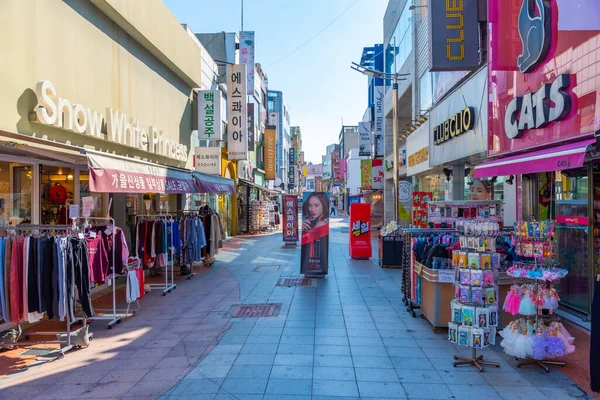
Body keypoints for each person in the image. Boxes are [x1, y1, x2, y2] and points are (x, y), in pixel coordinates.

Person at [301, 193, 330, 274]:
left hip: (317, 262)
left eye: (316, 205)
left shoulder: (324, 225)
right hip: (310, 260)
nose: (312, 209)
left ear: (324, 206)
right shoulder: (310, 223)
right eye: (310, 205)